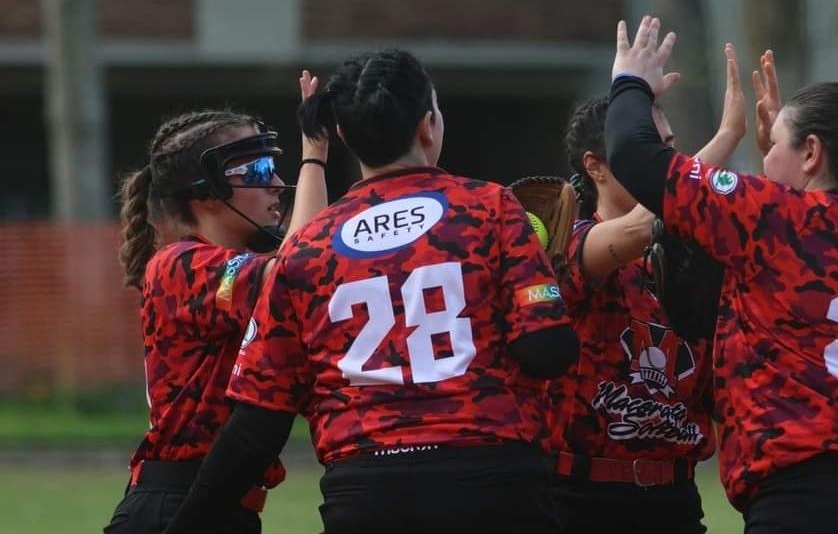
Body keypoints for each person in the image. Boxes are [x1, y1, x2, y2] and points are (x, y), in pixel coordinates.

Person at [161, 49, 579, 534]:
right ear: (428, 125)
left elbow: (257, 425)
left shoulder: (308, 246)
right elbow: (547, 350)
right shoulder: (490, 207)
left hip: (367, 493)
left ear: (341, 135)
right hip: (492, 481)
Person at [603, 16, 838, 533]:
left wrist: (629, 81)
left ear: (810, 153)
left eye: (776, 143)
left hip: (815, 499)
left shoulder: (779, 218)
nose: (766, 155)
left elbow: (633, 153)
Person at [104, 72, 330, 534]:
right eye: (260, 171)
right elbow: (301, 268)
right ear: (206, 190)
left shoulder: (238, 268)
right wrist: (316, 155)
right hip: (174, 503)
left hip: (221, 504)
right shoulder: (178, 264)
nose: (277, 184)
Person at [550, 44, 742, 534]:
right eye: (646, 148)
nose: (664, 162)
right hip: (579, 498)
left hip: (673, 497)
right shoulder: (571, 240)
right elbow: (641, 226)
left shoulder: (690, 251)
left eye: (667, 147)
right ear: (596, 165)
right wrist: (723, 141)